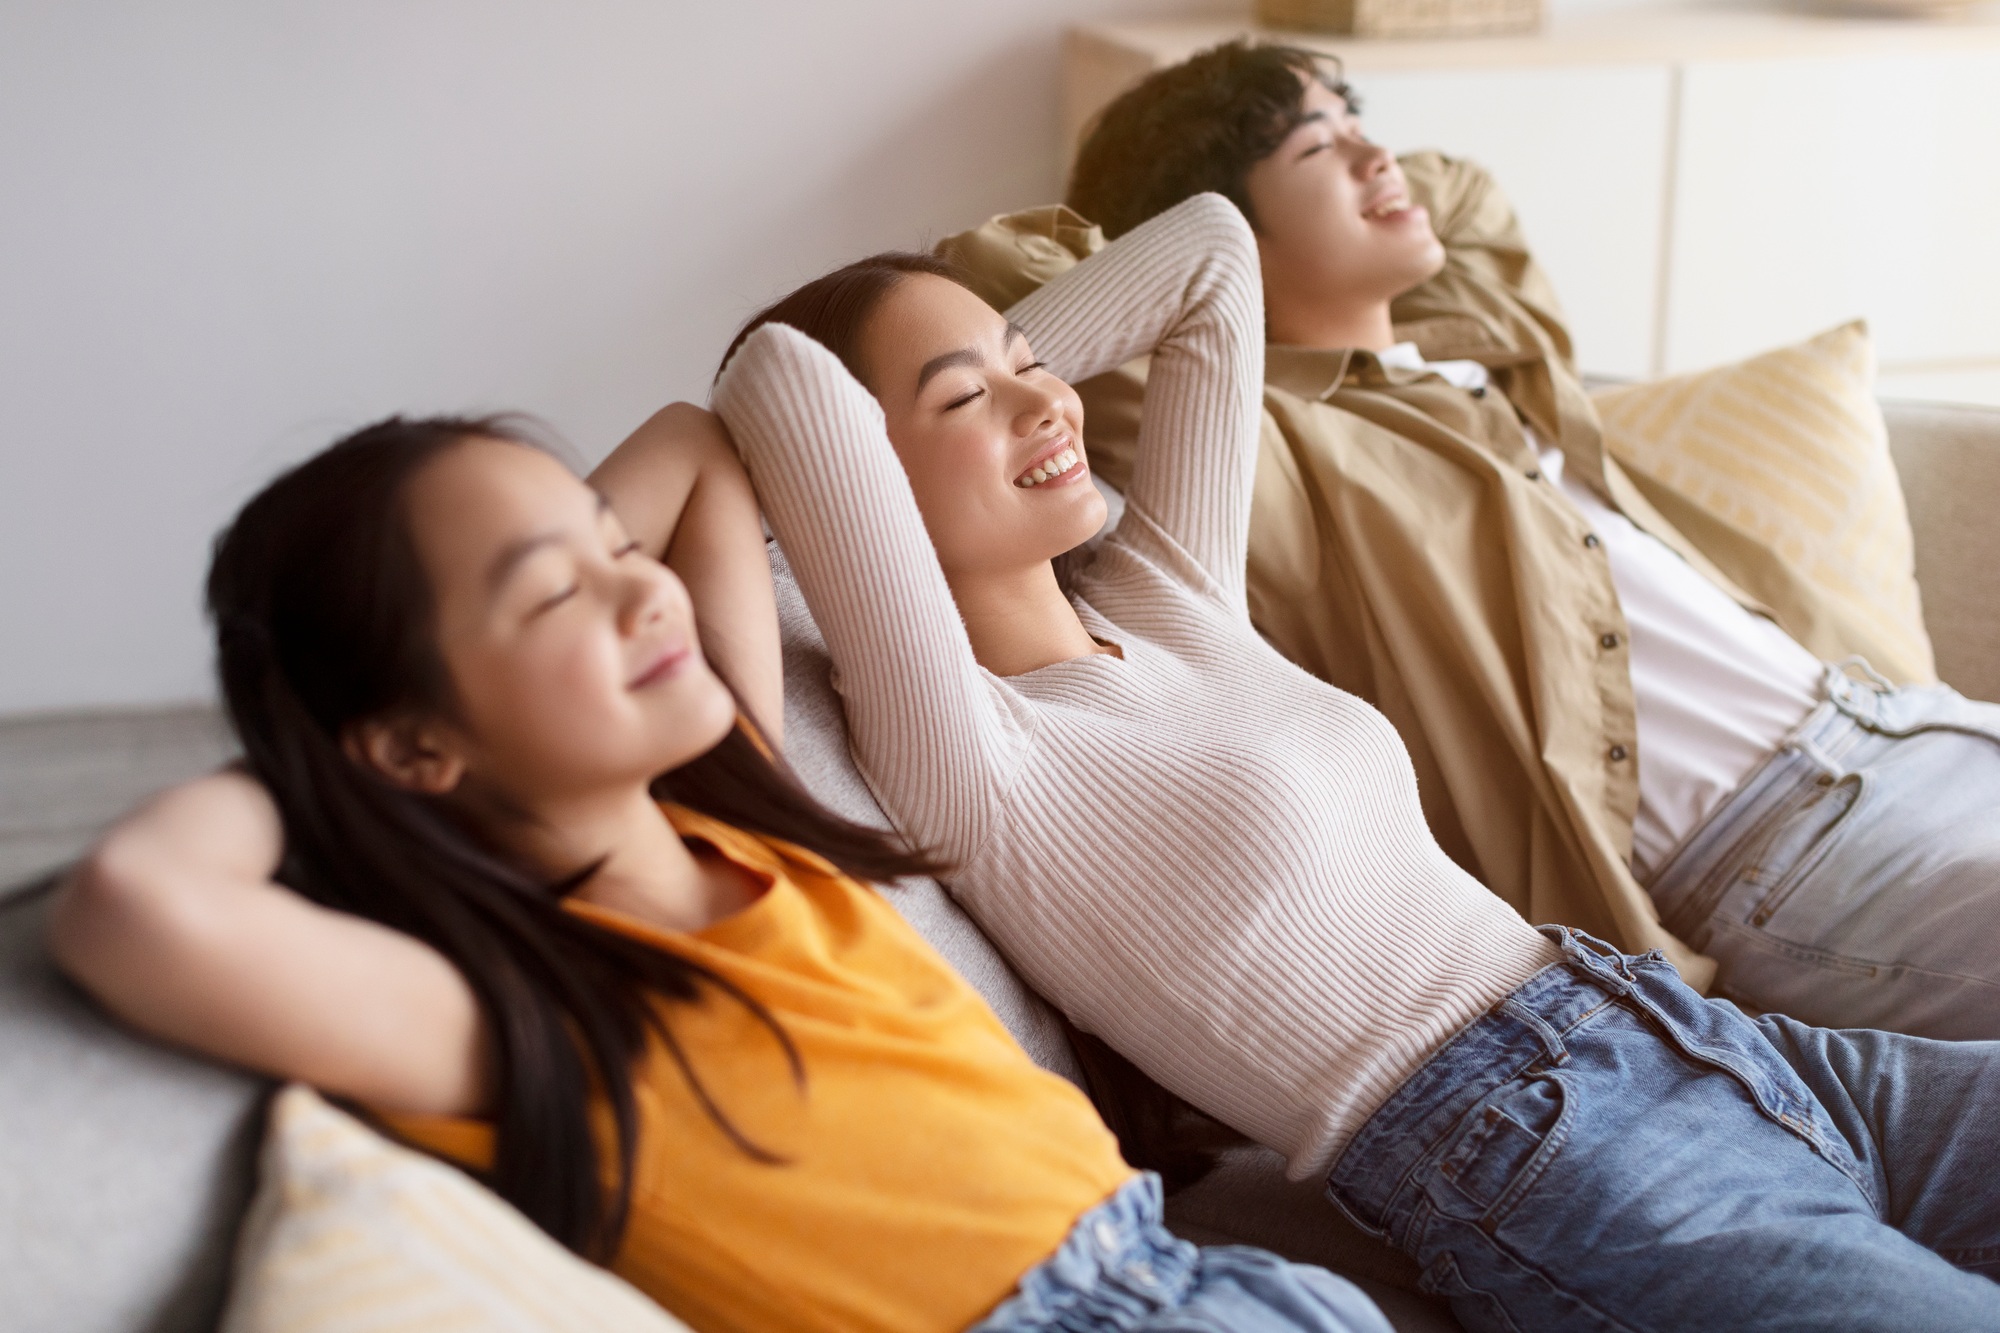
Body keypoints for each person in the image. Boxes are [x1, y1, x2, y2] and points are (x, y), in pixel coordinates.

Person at [711, 189, 2000, 1329]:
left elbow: (1212, 255)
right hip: (1542, 1154)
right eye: (963, 397)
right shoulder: (971, 754)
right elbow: (780, 378)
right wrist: (716, 452)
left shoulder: (1167, 599)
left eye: (1029, 359)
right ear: (854, 493)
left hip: (1693, 1037)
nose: (1045, 397)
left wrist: (994, 377)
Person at [46, 411, 1394, 1333]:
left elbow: (700, 449)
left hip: (1228, 1284)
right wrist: (321, 761)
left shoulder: (746, 825)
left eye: (615, 548)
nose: (644, 594)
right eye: (554, 593)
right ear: (411, 741)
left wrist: (554, 560)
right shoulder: (519, 1019)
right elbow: (139, 902)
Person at [1043, 41, 2000, 1041]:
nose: (1381, 163)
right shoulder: (1273, 458)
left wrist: (1324, 130)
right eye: (1318, 151)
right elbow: (1007, 297)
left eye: (1363, 128)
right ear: (1220, 242)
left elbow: (1468, 196)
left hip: (1912, 727)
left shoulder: (1479, 347)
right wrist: (1199, 221)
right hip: (1787, 848)